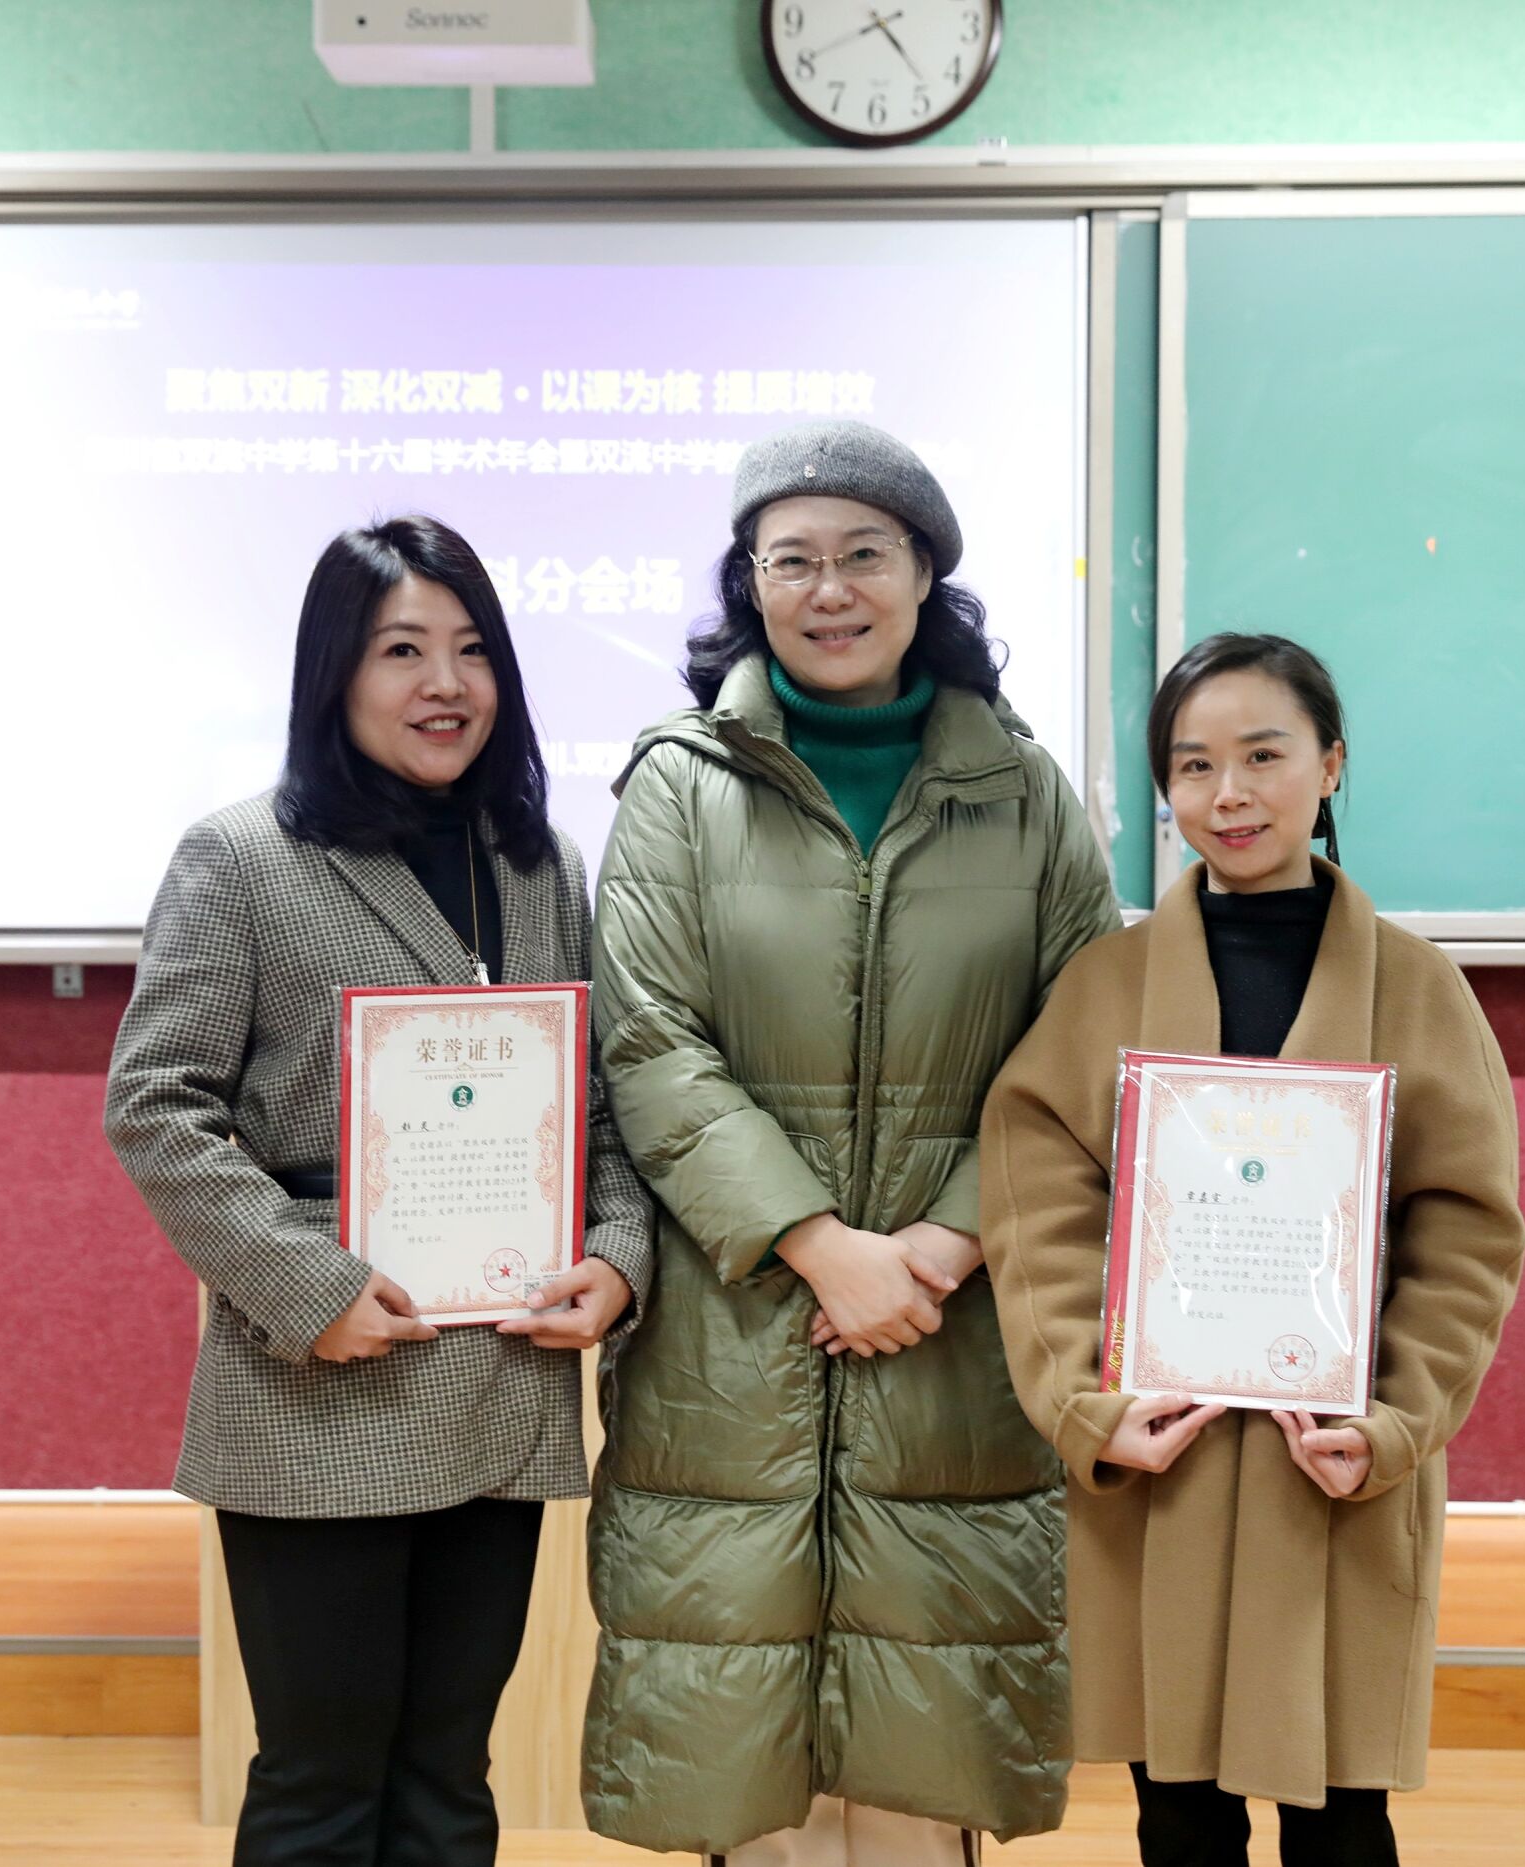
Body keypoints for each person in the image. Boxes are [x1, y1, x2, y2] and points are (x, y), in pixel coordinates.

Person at [580, 421, 1121, 1863]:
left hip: (954, 1335)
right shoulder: (680, 784)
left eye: (863, 554)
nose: (829, 590)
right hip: (732, 1330)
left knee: (921, 1766)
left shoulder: (1023, 790)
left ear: (925, 572)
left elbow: (1081, 1044)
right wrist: (822, 1247)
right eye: (792, 561)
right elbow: (649, 1043)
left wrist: (940, 1244)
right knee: (740, 1767)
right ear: (748, 584)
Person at [104, 515, 653, 1867]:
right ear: (334, 672)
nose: (445, 684)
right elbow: (157, 1105)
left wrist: (618, 1251)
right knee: (321, 1783)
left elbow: (594, 1102)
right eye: (402, 649)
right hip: (321, 1379)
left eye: (472, 650)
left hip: (503, 1369)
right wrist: (309, 1287)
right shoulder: (241, 858)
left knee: (450, 1775)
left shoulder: (538, 862)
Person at [979, 631, 1525, 1867]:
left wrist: (1393, 1422)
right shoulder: (1105, 985)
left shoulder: (1418, 987)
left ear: (1330, 765)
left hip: (1330, 1466)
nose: (1227, 794)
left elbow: (1465, 1232)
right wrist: (1085, 1404)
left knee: (1343, 1818)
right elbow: (1033, 1205)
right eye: (1193, 765)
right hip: (1159, 1461)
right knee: (1176, 1813)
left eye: (1263, 756)